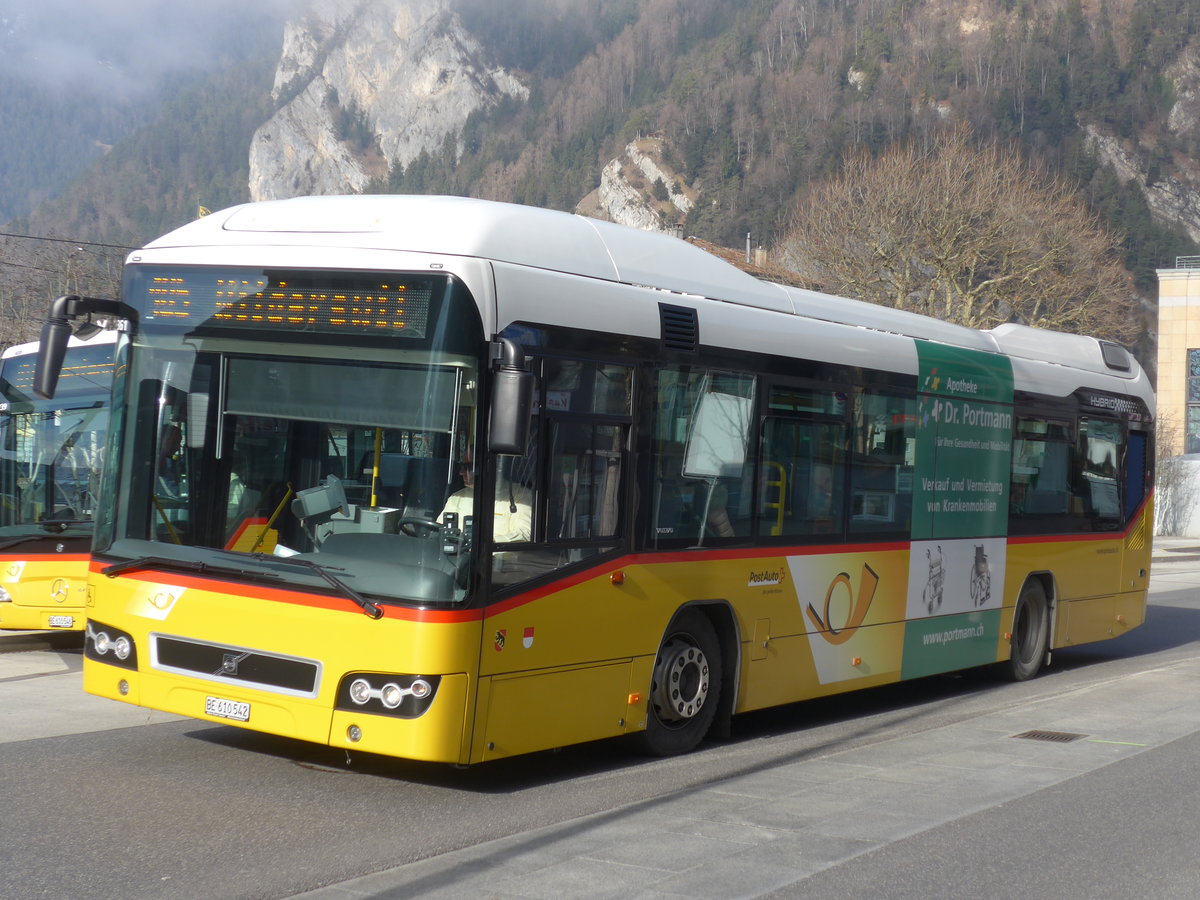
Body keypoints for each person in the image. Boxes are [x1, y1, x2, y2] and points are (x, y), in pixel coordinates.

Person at [438, 456, 531, 543]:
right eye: (461, 466)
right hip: (456, 558)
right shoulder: (457, 497)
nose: (461, 472)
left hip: (499, 558)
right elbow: (438, 530)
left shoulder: (519, 495)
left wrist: (487, 543)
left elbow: (525, 534)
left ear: (490, 466)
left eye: (469, 467)